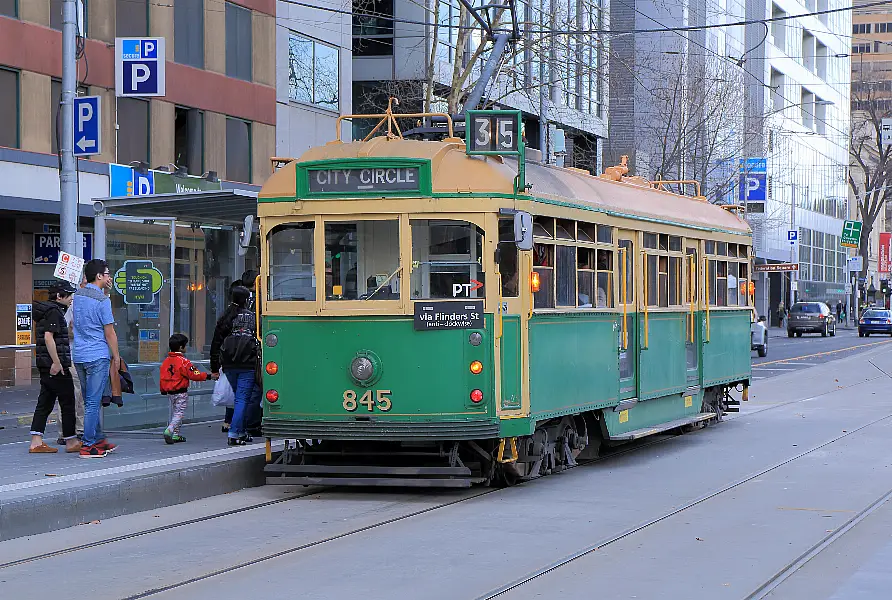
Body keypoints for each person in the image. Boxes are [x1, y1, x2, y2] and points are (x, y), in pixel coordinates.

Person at [72, 259, 120, 458]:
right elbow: (109, 332)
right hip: (97, 355)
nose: (109, 276)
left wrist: (105, 292)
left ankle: (98, 438)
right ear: (99, 276)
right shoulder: (102, 301)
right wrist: (116, 356)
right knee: (93, 402)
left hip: (80, 355)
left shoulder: (78, 296)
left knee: (91, 399)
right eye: (107, 273)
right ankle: (89, 445)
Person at [28, 283, 82, 454]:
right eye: (69, 295)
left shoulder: (47, 311)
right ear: (59, 296)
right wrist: (57, 363)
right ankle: (71, 441)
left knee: (45, 402)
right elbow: (49, 337)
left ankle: (36, 441)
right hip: (55, 365)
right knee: (68, 401)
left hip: (46, 364)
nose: (71, 298)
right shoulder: (53, 311)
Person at [211, 286, 260, 445]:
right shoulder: (252, 317)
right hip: (247, 363)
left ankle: (241, 431)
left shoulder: (226, 316)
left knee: (238, 398)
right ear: (247, 299)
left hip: (228, 363)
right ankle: (234, 433)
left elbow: (216, 342)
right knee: (242, 399)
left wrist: (214, 366)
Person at [160, 333, 217, 444]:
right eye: (185, 345)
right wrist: (208, 376)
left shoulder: (166, 362)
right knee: (179, 413)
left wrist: (163, 389)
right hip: (181, 392)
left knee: (175, 412)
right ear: (181, 347)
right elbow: (194, 374)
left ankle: (176, 435)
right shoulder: (184, 362)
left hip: (170, 392)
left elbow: (162, 377)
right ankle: (170, 430)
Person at [53, 276, 86, 445]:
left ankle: (79, 430)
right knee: (70, 393)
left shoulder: (88, 304)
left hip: (83, 355)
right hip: (70, 356)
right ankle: (65, 432)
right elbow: (63, 331)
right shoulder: (69, 307)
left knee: (80, 395)